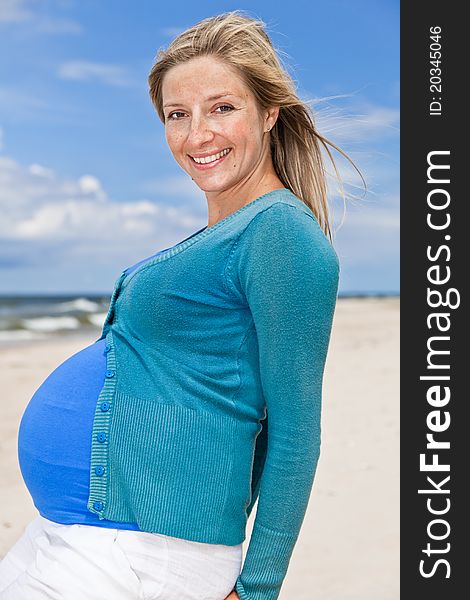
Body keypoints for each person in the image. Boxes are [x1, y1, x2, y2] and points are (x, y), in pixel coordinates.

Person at [0, 10, 359, 600]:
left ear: (269, 113)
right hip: (85, 538)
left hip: (144, 550)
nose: (198, 135)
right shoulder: (226, 233)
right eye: (177, 114)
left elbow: (295, 428)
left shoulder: (280, 235)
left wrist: (259, 587)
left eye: (222, 107)